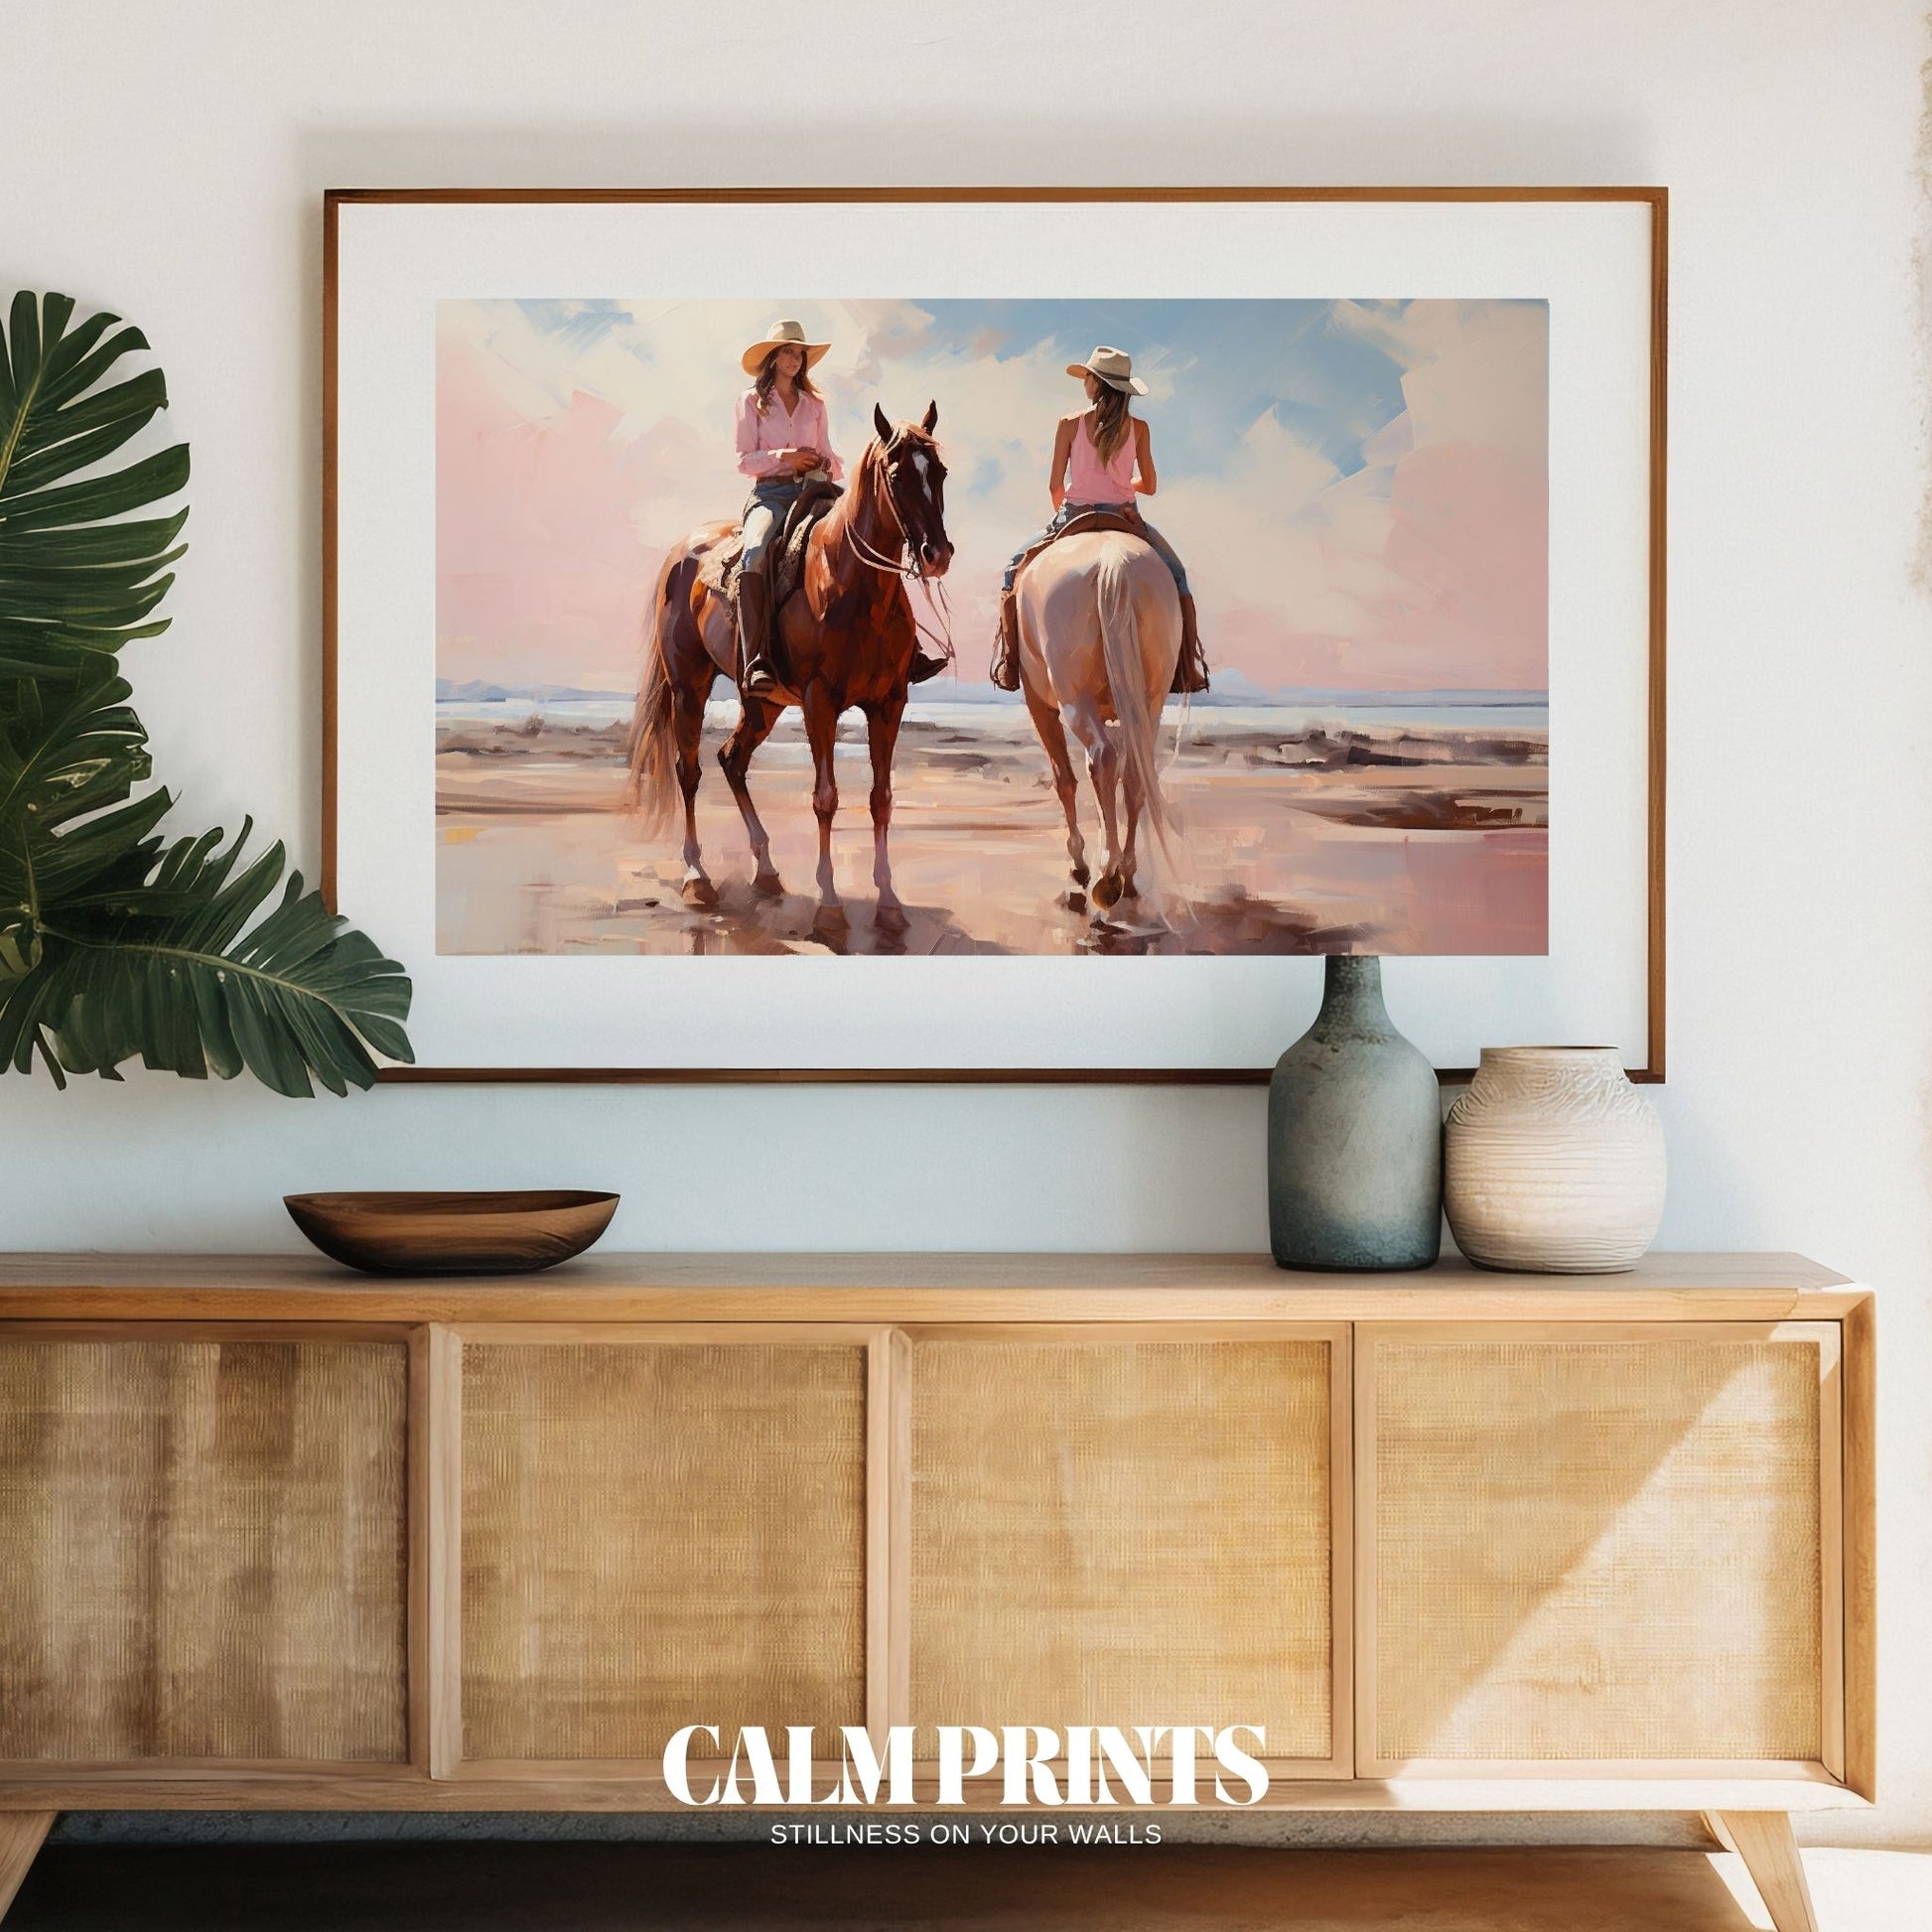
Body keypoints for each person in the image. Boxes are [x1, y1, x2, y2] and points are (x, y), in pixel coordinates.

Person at [732, 319, 946, 696]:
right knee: (754, 552)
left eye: (800, 353)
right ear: (772, 357)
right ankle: (757, 660)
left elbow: (831, 453)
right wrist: (786, 457)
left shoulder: (814, 404)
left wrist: (824, 463)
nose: (795, 359)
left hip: (817, 490)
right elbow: (743, 460)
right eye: (787, 352)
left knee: (871, 540)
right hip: (772, 494)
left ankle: (908, 650)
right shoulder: (751, 402)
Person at [990, 345, 1208, 695]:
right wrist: (1123, 485)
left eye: (1088, 377)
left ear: (1095, 383)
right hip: (1125, 516)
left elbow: (1055, 485)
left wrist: (1067, 513)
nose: (1085, 383)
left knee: (1012, 571)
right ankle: (1187, 670)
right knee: (1177, 577)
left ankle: (1011, 664)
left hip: (1075, 514)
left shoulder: (1069, 424)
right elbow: (1149, 485)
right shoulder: (1139, 428)